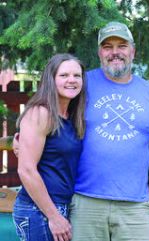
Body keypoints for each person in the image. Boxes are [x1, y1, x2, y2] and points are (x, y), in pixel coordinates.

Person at [68, 21, 149, 241]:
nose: (115, 52)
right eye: (108, 46)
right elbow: (47, 114)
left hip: (136, 205)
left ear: (132, 51)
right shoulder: (80, 84)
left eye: (122, 46)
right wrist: (24, 136)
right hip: (85, 202)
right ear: (99, 52)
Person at [13, 53, 86, 241]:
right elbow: (26, 170)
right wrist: (53, 216)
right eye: (64, 75)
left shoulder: (70, 117)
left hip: (60, 206)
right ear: (51, 79)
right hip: (39, 210)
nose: (72, 80)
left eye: (77, 76)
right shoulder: (40, 113)